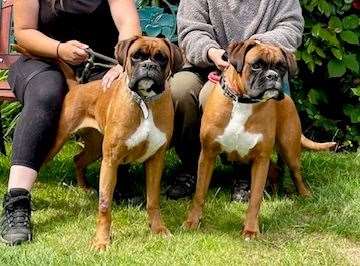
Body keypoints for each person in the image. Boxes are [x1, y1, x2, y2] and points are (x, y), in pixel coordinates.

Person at [0, 0, 141, 246]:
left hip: (100, 63)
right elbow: (24, 32)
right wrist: (59, 49)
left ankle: (119, 172)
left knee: (118, 91)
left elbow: (129, 23)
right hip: (43, 59)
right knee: (46, 94)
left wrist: (122, 64)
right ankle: (17, 200)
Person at [167, 0, 304, 200]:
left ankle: (244, 173)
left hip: (255, 71)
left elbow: (291, 28)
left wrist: (253, 47)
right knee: (180, 90)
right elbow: (190, 31)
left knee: (211, 96)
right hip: (204, 65)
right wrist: (212, 52)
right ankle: (190, 168)